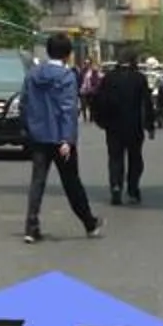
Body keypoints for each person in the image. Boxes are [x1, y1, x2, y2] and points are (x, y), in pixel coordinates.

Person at [17, 32, 101, 245]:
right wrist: (66, 139)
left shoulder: (33, 74)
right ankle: (89, 223)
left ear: (48, 51)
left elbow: (24, 104)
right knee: (72, 183)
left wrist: (29, 129)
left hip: (38, 137)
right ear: (68, 54)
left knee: (37, 182)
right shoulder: (66, 77)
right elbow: (68, 109)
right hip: (60, 139)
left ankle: (31, 227)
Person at [92, 52, 156, 204]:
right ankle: (133, 188)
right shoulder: (139, 78)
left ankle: (115, 186)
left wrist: (101, 121)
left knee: (115, 158)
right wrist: (149, 125)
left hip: (113, 127)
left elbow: (99, 101)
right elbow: (146, 103)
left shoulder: (109, 78)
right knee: (135, 158)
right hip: (134, 126)